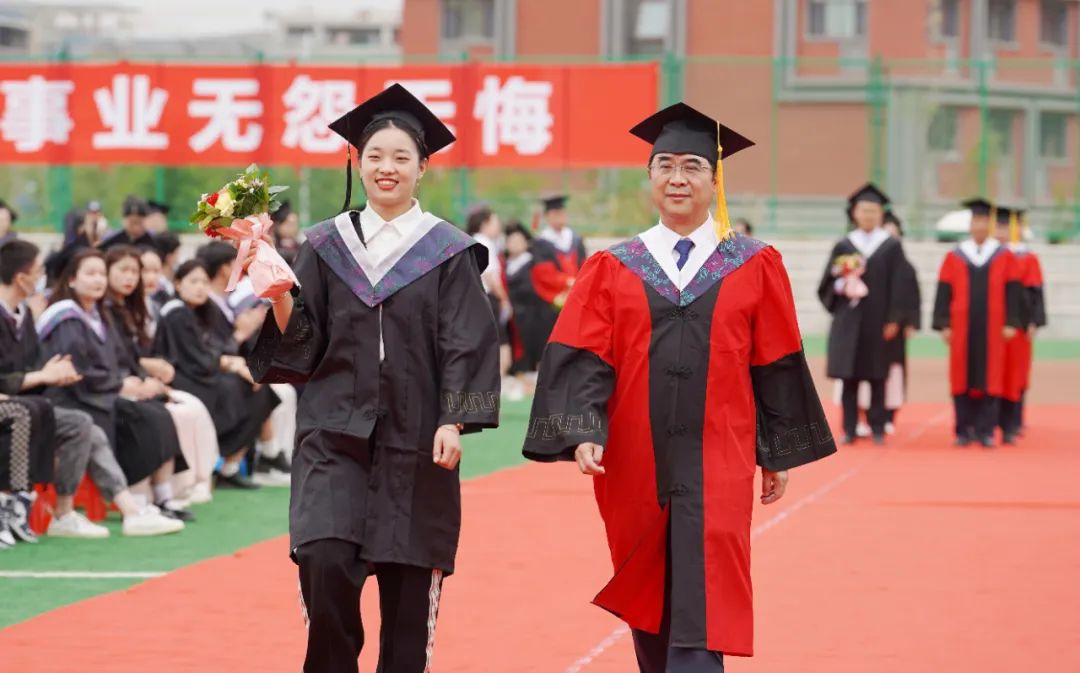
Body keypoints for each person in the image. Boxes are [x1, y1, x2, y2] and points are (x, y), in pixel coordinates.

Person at [522, 102, 836, 673]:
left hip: (722, 452)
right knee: (649, 593)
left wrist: (776, 451)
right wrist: (583, 428)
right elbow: (584, 356)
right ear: (649, 178)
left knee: (706, 584)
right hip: (634, 458)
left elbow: (775, 360)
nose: (677, 178)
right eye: (664, 166)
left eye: (693, 166)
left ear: (715, 181)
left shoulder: (753, 263)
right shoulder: (614, 265)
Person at [244, 83, 500, 673]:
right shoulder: (325, 245)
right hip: (334, 432)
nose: (387, 167)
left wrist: (454, 420)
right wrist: (279, 296)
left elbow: (467, 339)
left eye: (401, 157)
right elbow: (302, 342)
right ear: (357, 162)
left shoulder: (448, 250)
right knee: (325, 559)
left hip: (417, 437)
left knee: (408, 593)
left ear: (422, 168)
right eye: (375, 156)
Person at [0, 241, 183, 538]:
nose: (42, 278)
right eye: (38, 272)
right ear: (22, 278)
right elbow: (61, 370)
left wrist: (135, 381)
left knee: (95, 423)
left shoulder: (28, 315)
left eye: (101, 273)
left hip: (48, 400)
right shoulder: (61, 316)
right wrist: (117, 386)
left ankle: (124, 507)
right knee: (122, 417)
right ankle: (134, 504)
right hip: (66, 397)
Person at [106, 246, 220, 506]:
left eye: (138, 271)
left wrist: (148, 376)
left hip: (139, 381)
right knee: (167, 412)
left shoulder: (140, 308)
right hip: (113, 388)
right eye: (127, 270)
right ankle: (146, 495)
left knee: (189, 408)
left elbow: (137, 355)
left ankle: (191, 484)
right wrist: (134, 379)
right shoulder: (103, 311)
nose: (136, 277)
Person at [154, 260, 268, 491]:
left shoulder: (203, 311)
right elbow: (196, 359)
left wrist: (233, 362)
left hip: (201, 374)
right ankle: (220, 464)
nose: (200, 287)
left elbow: (215, 350)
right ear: (178, 283)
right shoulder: (176, 312)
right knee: (243, 388)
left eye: (204, 282)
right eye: (193, 281)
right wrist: (231, 364)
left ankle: (229, 466)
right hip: (183, 378)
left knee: (260, 390)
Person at [818, 183, 908, 445]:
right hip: (849, 321)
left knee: (878, 376)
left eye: (873, 211)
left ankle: (877, 426)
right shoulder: (844, 245)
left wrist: (894, 319)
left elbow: (900, 286)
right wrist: (842, 285)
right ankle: (849, 428)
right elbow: (826, 284)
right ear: (854, 213)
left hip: (879, 321)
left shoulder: (891, 246)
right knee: (849, 377)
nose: (868, 215)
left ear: (881, 214)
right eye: (863, 210)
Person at [933, 199, 1024, 448]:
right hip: (961, 326)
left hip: (994, 327)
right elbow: (944, 292)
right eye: (976, 221)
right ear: (970, 225)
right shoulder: (955, 255)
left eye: (984, 221)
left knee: (991, 376)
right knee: (961, 376)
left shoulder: (1004, 255)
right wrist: (944, 324)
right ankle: (963, 430)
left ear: (989, 225)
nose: (980, 226)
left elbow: (1013, 292)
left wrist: (1011, 322)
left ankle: (986, 431)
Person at [994, 207, 1046, 442]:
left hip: (1019, 325)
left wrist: (1034, 320)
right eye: (998, 227)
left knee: (1016, 373)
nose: (1001, 232)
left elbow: (1036, 292)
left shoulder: (1027, 257)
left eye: (1006, 227)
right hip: (993, 323)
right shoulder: (989, 256)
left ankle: (1013, 421)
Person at [880, 210, 920, 432]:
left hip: (897, 328)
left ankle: (889, 415)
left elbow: (913, 297)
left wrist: (911, 322)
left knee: (894, 370)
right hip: (875, 326)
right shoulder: (871, 263)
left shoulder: (906, 267)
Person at [466, 204, 515, 389]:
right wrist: (504, 299)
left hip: (476, 300)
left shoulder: (471, 240)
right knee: (501, 346)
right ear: (484, 223)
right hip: (487, 299)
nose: (498, 225)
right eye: (495, 221)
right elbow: (490, 277)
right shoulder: (484, 242)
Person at [530, 194, 588, 342]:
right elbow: (543, 273)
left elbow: (585, 265)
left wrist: (579, 283)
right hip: (553, 302)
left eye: (562, 212)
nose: (559, 216)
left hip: (576, 297)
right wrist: (568, 282)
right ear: (547, 217)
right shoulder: (541, 242)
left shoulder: (575, 239)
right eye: (555, 213)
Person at [503, 221, 550, 379]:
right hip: (511, 316)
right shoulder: (505, 264)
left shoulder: (533, 262)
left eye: (518, 240)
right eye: (511, 241)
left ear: (525, 242)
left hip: (532, 314)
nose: (515, 244)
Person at [271, 200, 303, 267]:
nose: (293, 227)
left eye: (295, 223)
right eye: (289, 224)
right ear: (279, 224)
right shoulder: (272, 246)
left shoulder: (301, 247)